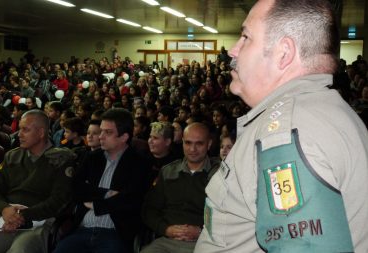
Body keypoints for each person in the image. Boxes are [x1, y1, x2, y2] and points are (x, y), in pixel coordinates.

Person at [194, 1, 368, 253]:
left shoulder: (285, 132)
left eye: (245, 37)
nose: (233, 50)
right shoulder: (323, 110)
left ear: (283, 53)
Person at [0, 109, 76, 253]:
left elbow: (58, 200)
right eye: (20, 129)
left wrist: (22, 216)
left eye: (25, 130)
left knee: (20, 250)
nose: (19, 134)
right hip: (7, 219)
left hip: (40, 222)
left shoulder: (60, 160)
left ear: (41, 133)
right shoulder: (12, 156)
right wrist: (4, 209)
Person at [52, 108, 152, 253]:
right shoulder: (92, 158)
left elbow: (131, 200)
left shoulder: (139, 163)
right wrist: (106, 193)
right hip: (82, 229)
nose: (101, 137)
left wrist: (96, 205)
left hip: (115, 233)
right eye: (101, 131)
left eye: (108, 132)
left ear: (124, 137)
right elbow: (75, 188)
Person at [141, 123, 219, 253]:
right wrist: (166, 229)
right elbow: (149, 210)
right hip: (166, 241)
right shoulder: (168, 172)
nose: (192, 149)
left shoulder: (219, 175)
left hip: (204, 242)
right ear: (182, 142)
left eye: (199, 143)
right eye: (188, 143)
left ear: (209, 144)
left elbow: (227, 217)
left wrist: (202, 231)